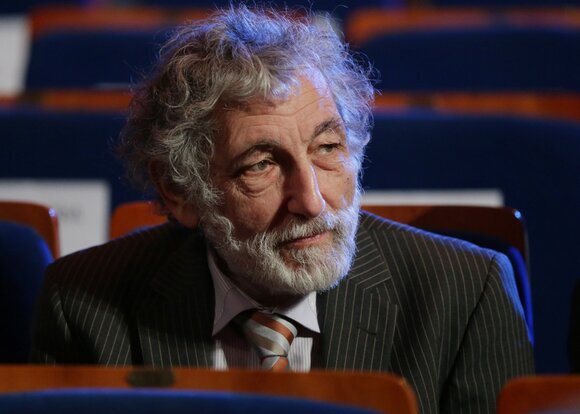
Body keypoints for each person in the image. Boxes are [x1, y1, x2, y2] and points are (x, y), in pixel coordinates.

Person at [31, 5, 534, 413]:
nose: (311, 201)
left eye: (328, 148)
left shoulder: (465, 295)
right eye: (261, 165)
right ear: (179, 191)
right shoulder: (84, 307)